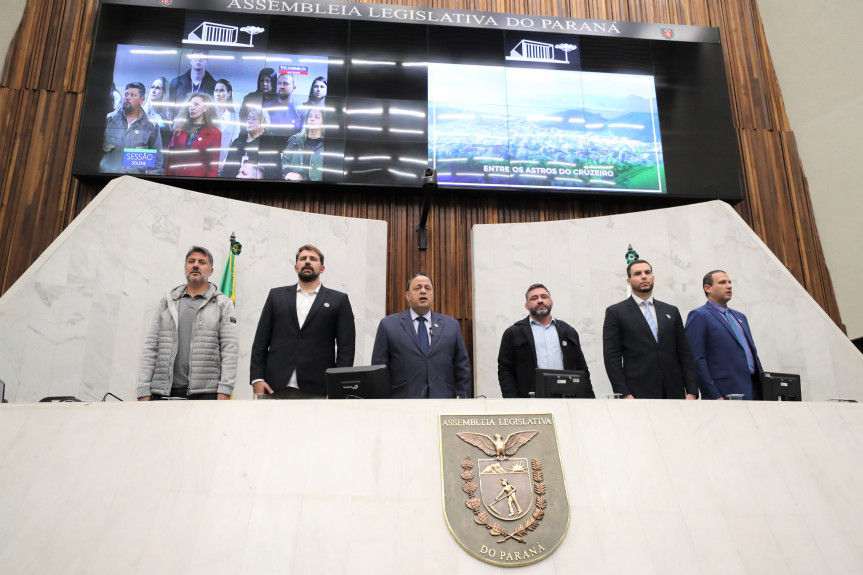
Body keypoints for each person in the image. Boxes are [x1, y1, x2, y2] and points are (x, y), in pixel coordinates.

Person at [250, 245, 356, 399]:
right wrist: (257, 379)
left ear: (322, 268)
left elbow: (346, 349)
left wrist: (336, 386)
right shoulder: (276, 296)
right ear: (295, 267)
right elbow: (260, 341)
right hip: (274, 386)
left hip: (319, 388)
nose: (307, 262)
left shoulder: (339, 300)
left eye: (313, 259)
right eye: (303, 259)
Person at [137, 246, 238, 401]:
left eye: (202, 262)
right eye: (191, 261)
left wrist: (225, 390)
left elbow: (229, 350)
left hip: (205, 393)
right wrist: (143, 390)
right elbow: (151, 347)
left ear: (211, 271)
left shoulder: (222, 304)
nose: (195, 265)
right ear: (185, 267)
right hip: (163, 392)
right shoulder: (167, 302)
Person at [602, 259, 698, 399]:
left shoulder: (671, 311)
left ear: (653, 277)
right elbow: (612, 358)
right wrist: (625, 394)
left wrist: (692, 391)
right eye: (638, 273)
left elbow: (685, 353)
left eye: (647, 272)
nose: (644, 276)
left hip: (674, 391)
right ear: (629, 281)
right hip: (638, 393)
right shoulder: (616, 312)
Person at [371, 273, 472, 399]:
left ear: (432, 294)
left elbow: (462, 367)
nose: (423, 291)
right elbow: (378, 370)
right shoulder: (388, 325)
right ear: (407, 295)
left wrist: (462, 399)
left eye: (427, 288)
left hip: (443, 401)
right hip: (402, 402)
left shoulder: (451, 325)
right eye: (417, 288)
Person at [497, 283, 593, 398]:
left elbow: (581, 369)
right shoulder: (513, 333)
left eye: (544, 297)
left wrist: (589, 399)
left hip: (566, 400)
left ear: (551, 302)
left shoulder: (568, 331)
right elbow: (505, 370)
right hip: (530, 400)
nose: (540, 300)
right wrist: (512, 400)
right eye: (534, 298)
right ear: (526, 305)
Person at [685, 270, 764, 400]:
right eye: (722, 282)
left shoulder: (740, 317)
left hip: (755, 389)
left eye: (729, 282)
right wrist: (714, 395)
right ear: (707, 288)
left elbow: (750, 353)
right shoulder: (699, 316)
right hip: (725, 393)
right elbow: (697, 359)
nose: (729, 286)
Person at [99, 81, 163, 175]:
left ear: (142, 100)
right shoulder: (109, 119)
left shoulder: (151, 125)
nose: (127, 97)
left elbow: (157, 162)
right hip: (104, 178)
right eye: (126, 94)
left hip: (134, 182)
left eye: (133, 95)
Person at [166, 93, 221, 177]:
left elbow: (212, 167)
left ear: (205, 108)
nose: (192, 107)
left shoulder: (215, 133)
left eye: (196, 104)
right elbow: (170, 159)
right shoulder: (179, 131)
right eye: (190, 105)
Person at [282, 107, 325, 182]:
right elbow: (284, 162)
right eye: (310, 116)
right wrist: (288, 173)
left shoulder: (327, 144)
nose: (312, 119)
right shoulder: (295, 140)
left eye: (317, 117)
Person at [263, 73, 303, 142]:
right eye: (279, 83)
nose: (281, 86)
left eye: (285, 83)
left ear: (293, 88)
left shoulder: (301, 110)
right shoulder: (266, 108)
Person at [213, 78, 240, 168]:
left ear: (229, 94)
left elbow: (234, 143)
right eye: (216, 90)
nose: (218, 94)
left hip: (224, 165)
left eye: (221, 91)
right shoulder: (207, 115)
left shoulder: (235, 117)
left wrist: (224, 163)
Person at [143, 76, 173, 147]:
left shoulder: (168, 116)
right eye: (152, 87)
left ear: (164, 92)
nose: (153, 91)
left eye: (157, 88)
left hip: (162, 155)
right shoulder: (141, 112)